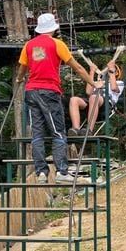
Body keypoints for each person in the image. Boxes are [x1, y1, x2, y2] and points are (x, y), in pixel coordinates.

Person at [16, 13, 103, 184]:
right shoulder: (57, 44)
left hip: (31, 92)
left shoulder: (29, 45)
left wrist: (19, 79)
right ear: (53, 28)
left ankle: (41, 172)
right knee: (57, 131)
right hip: (49, 92)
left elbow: (22, 68)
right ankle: (61, 171)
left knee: (38, 133)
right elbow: (77, 67)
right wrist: (93, 82)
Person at [68, 61, 124, 135]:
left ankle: (89, 130)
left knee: (94, 98)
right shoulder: (99, 82)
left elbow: (114, 88)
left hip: (106, 106)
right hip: (92, 102)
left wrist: (112, 71)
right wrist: (92, 72)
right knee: (74, 100)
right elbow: (88, 92)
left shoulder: (119, 83)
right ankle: (76, 129)